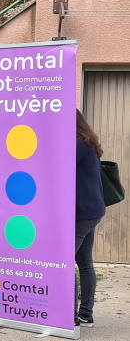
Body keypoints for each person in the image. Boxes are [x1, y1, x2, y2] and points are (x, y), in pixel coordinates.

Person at [74, 110, 105, 327]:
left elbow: (55, 168)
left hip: (82, 213)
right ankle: (85, 314)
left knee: (64, 263)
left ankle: (70, 316)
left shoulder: (77, 145)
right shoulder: (88, 143)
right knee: (84, 263)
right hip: (92, 211)